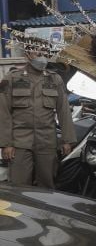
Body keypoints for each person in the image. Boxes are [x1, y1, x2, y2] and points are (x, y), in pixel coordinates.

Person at [0, 53, 76, 188]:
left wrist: (67, 140)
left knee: (47, 185)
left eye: (43, 53)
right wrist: (6, 144)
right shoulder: (11, 78)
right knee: (18, 186)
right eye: (37, 53)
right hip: (19, 143)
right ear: (28, 56)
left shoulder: (55, 79)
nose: (41, 57)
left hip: (47, 142)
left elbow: (64, 110)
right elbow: (3, 112)